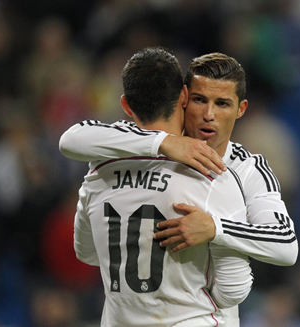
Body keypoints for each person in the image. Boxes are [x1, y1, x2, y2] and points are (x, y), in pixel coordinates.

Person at [69, 47, 252, 327]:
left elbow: (86, 251)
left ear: (126, 105)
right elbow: (233, 289)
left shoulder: (98, 172)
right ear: (184, 97)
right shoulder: (211, 172)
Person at [60, 52, 298, 264]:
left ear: (241, 109)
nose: (209, 115)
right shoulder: (143, 143)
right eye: (200, 100)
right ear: (184, 98)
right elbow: (72, 139)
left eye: (222, 104)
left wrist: (216, 229)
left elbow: (286, 245)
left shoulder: (247, 168)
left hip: (209, 310)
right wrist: (164, 143)